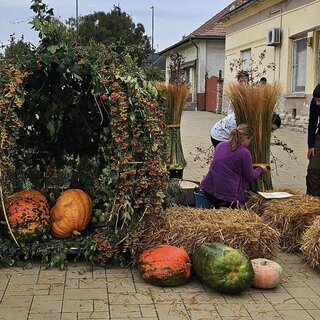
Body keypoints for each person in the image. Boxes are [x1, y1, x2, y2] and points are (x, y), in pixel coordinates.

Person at [200, 124, 267, 208]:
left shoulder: (220, 145)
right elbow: (250, 177)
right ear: (245, 138)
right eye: (250, 139)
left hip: (209, 189)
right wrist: (260, 169)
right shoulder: (244, 153)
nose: (250, 142)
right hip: (227, 197)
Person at [210, 112, 281, 147]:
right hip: (219, 136)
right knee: (229, 159)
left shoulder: (258, 120)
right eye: (271, 128)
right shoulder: (251, 121)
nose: (271, 131)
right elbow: (240, 142)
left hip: (221, 131)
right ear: (268, 121)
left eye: (273, 130)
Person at [306, 84, 320, 196]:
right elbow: (312, 124)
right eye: (316, 100)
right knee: (313, 170)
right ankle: (312, 202)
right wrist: (311, 145)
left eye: (319, 100)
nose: (317, 103)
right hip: (319, 137)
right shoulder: (314, 103)